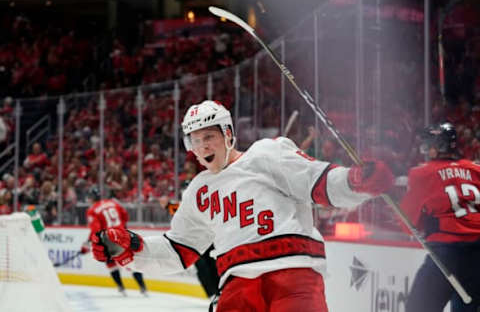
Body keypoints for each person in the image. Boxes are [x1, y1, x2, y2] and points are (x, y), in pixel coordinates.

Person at [91, 100, 393, 311]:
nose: (202, 147)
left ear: (228, 135)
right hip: (237, 286)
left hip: (293, 276)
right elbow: (178, 250)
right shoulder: (198, 190)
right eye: (195, 141)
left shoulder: (267, 154)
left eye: (208, 137)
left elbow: (319, 182)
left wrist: (354, 181)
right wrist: (132, 247)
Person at [401, 122, 480, 312]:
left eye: (429, 145)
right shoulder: (476, 170)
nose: (427, 150)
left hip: (447, 254)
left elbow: (408, 223)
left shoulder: (422, 173)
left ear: (437, 147)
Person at [83, 187, 148, 296]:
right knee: (130, 262)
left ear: (92, 198)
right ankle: (143, 287)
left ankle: (121, 288)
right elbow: (125, 215)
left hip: (108, 239)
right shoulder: (112, 203)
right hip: (122, 235)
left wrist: (89, 243)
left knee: (111, 263)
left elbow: (96, 230)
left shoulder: (92, 210)